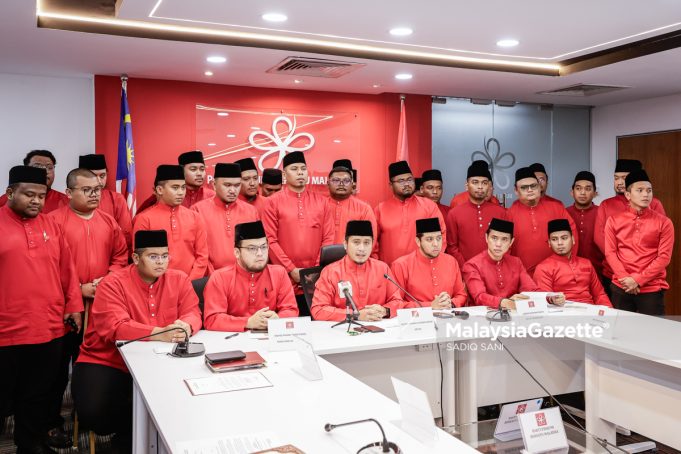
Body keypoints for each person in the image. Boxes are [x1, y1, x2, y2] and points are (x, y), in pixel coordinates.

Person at [72, 229, 202, 453]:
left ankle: (137, 440)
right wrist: (159, 333)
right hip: (107, 360)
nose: (161, 262)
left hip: (162, 361)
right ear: (135, 258)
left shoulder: (179, 279)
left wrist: (186, 326)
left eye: (164, 256)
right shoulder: (113, 283)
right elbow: (115, 328)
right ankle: (129, 437)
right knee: (94, 413)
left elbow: (193, 312)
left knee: (183, 404)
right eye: (153, 257)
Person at [0, 165, 82, 454]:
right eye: (29, 195)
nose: (36, 201)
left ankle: (30, 445)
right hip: (6, 333)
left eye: (41, 196)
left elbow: (67, 269)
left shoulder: (51, 225)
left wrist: (73, 305)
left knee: (37, 396)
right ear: (10, 193)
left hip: (48, 329)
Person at [47, 168, 128, 445]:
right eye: (87, 190)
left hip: (100, 306)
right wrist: (78, 289)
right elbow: (48, 267)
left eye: (97, 189)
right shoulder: (53, 222)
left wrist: (107, 281)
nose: (95, 195)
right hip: (62, 309)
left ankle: (85, 415)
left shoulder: (108, 221)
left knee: (91, 365)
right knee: (57, 370)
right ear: (69, 193)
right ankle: (51, 422)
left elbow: (120, 257)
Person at [262, 151, 334, 316]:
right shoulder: (272, 202)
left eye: (303, 168)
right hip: (285, 276)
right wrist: (291, 270)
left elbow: (328, 238)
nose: (300, 172)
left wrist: (315, 270)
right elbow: (270, 240)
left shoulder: (322, 202)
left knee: (317, 324)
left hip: (317, 278)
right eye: (294, 169)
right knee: (287, 323)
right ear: (285, 175)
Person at [203, 221, 299, 331]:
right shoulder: (220, 278)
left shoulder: (279, 273)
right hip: (234, 342)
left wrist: (278, 318)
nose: (260, 253)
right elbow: (212, 319)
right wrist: (248, 322)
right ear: (237, 252)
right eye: (252, 248)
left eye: (263, 247)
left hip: (271, 341)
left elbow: (291, 309)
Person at [311, 220, 415, 321]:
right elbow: (318, 309)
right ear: (345, 244)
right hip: (344, 332)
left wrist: (385, 311)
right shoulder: (330, 272)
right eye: (356, 242)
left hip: (379, 331)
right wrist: (355, 315)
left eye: (367, 243)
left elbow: (397, 301)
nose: (362, 248)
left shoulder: (382, 269)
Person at [604, 170, 674, 315]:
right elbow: (610, 253)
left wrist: (637, 280)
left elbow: (664, 257)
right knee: (621, 334)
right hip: (621, 287)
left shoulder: (664, 222)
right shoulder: (614, 221)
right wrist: (626, 279)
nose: (645, 194)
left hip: (651, 288)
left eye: (649, 190)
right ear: (628, 195)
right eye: (640, 190)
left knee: (652, 335)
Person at [594, 159, 666, 294]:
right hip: (613, 275)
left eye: (624, 178)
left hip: (648, 279)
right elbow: (599, 238)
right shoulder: (606, 205)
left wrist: (638, 277)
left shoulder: (655, 204)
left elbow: (661, 243)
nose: (619, 182)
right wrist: (622, 270)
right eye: (616, 178)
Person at [132, 165, 208, 280]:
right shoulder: (144, 219)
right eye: (175, 187)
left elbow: (202, 256)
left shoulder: (195, 217)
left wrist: (190, 281)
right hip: (158, 285)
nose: (181, 192)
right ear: (160, 190)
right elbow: (142, 259)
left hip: (191, 284)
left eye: (183, 187)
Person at [506, 167, 577, 275]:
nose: (530, 190)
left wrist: (569, 264)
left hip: (557, 273)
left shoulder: (556, 207)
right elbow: (505, 249)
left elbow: (572, 235)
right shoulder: (509, 214)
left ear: (539, 187)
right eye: (524, 187)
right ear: (516, 190)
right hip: (523, 276)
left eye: (533, 186)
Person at [374, 160, 446, 265]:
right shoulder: (380, 209)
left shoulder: (429, 206)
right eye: (401, 181)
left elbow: (441, 235)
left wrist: (433, 260)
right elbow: (373, 243)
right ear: (391, 185)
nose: (407, 184)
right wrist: (377, 266)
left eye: (409, 179)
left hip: (422, 269)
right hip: (389, 272)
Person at [192, 163, 259, 272]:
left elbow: (256, 248)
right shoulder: (197, 210)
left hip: (243, 276)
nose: (233, 190)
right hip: (210, 277)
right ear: (214, 184)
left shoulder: (251, 211)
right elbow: (196, 250)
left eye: (237, 185)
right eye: (227, 185)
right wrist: (213, 275)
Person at [462, 218, 540, 309]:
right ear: (486, 238)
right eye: (494, 238)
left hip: (512, 316)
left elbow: (531, 289)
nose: (498, 244)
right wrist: (505, 302)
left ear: (511, 242)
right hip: (482, 318)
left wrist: (550, 297)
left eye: (504, 239)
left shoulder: (516, 262)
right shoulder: (472, 265)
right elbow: (480, 297)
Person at [391, 218, 467, 308]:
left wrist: (451, 303)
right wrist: (430, 306)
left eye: (439, 238)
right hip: (417, 320)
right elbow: (396, 303)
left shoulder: (451, 261)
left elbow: (461, 295)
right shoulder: (401, 265)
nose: (436, 244)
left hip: (448, 318)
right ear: (418, 241)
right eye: (429, 239)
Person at [534, 219, 611, 306]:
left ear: (573, 239)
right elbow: (543, 298)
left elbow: (599, 294)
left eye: (564, 238)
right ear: (549, 243)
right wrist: (552, 299)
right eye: (554, 239)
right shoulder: (543, 268)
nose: (560, 243)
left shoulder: (586, 263)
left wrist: (609, 313)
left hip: (590, 312)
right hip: (562, 313)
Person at [446, 161, 507, 268]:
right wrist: (467, 268)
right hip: (465, 272)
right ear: (466, 185)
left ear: (489, 186)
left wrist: (495, 266)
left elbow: (506, 243)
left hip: (495, 270)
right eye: (475, 182)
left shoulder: (500, 212)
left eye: (484, 183)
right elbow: (452, 247)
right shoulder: (454, 213)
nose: (480, 187)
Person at [78, 154, 133, 248]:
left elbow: (125, 234)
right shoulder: (70, 199)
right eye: (93, 176)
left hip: (111, 253)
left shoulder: (116, 199)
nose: (99, 181)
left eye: (102, 176)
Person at [137, 150, 215, 213]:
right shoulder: (164, 196)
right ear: (181, 171)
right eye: (193, 169)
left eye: (202, 169)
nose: (199, 174)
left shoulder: (212, 196)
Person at [0, 150, 68, 213]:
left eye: (49, 167)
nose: (45, 171)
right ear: (25, 169)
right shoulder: (6, 200)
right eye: (37, 166)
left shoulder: (67, 202)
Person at [566, 171, 604, 277]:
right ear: (572, 192)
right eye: (578, 188)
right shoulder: (564, 213)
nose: (583, 193)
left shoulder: (602, 213)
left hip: (599, 271)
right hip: (569, 272)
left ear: (595, 193)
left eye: (588, 189)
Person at [326, 165, 376, 244]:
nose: (341, 184)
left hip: (353, 256)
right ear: (328, 183)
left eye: (346, 181)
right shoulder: (320, 206)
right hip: (322, 256)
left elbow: (370, 241)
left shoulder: (364, 209)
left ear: (352, 184)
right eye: (336, 180)